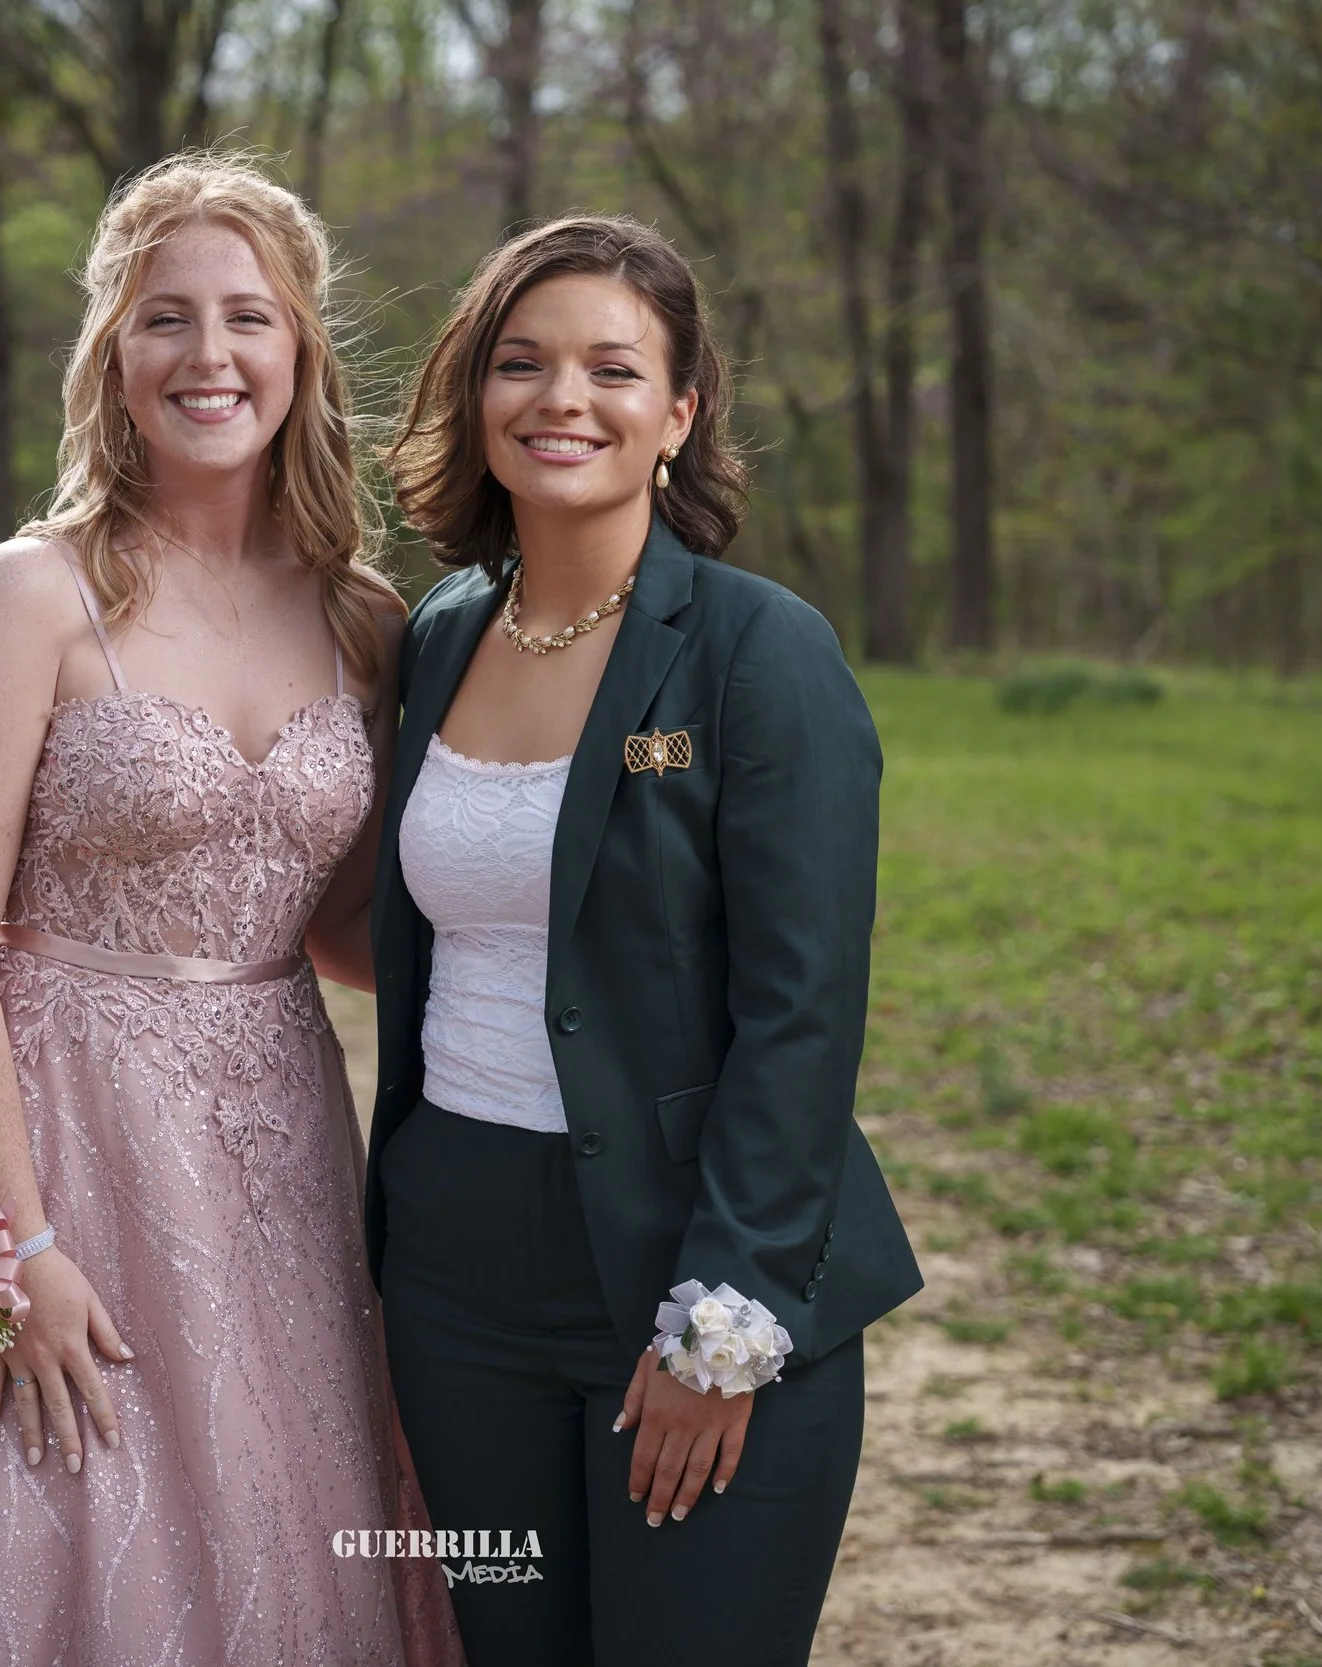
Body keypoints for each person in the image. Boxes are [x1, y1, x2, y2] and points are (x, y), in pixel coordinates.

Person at [0, 154, 459, 1667]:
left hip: (279, 1143)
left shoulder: (366, 620)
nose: (210, 353)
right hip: (62, 1135)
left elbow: (347, 927)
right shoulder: (30, 595)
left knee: (277, 1513)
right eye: (166, 316)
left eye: (248, 316)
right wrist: (10, 1245)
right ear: (116, 351)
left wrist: (562, 939)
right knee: (73, 1509)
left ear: (299, 352)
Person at [365, 214, 924, 1665]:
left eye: (614, 368)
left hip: (685, 1261)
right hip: (453, 1276)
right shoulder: (435, 639)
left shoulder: (758, 650)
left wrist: (723, 1322)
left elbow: (803, 1013)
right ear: (473, 397)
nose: (563, 399)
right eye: (522, 363)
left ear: (678, 414)